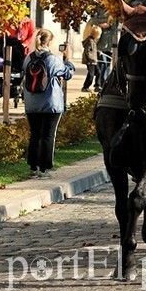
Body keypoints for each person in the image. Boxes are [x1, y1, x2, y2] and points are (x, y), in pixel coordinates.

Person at [23, 29, 75, 178]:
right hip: (51, 104)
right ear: (50, 42)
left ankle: (33, 168)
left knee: (34, 135)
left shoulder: (29, 58)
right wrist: (68, 59)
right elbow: (67, 73)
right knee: (48, 136)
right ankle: (44, 169)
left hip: (32, 104)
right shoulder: (52, 59)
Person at [81, 25, 101, 92]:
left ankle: (97, 86)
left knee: (98, 72)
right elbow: (88, 51)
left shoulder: (93, 40)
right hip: (90, 61)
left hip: (94, 61)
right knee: (91, 74)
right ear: (96, 34)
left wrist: (98, 52)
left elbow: (93, 50)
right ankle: (85, 87)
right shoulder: (90, 41)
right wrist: (92, 59)